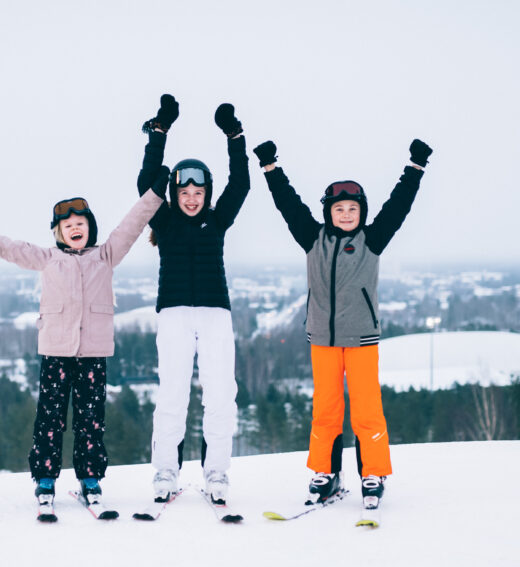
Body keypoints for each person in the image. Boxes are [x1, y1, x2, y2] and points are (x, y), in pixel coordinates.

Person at [0, 170, 170, 509]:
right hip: (56, 352)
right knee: (49, 418)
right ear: (59, 232)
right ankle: (46, 478)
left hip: (93, 353)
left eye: (81, 223)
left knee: (90, 419)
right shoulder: (48, 258)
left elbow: (131, 225)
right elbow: (9, 248)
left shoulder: (106, 256)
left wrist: (155, 193)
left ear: (90, 228)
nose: (75, 228)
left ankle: (90, 477)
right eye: (68, 226)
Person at [252, 137, 432, 511]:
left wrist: (414, 168)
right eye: (340, 208)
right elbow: (288, 205)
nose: (347, 214)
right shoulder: (312, 238)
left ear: (361, 212)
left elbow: (398, 207)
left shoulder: (372, 239)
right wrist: (271, 168)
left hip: (362, 338)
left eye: (353, 208)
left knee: (366, 410)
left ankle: (373, 473)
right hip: (322, 339)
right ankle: (325, 473)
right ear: (328, 213)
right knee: (327, 409)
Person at [137, 94, 250, 504]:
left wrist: (234, 135)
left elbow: (241, 184)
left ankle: (217, 473)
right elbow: (145, 183)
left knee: (221, 393)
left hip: (216, 314)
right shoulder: (163, 220)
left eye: (197, 191)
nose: (190, 197)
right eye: (183, 190)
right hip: (173, 314)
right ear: (174, 193)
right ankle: (166, 471)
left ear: (206, 193)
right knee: (172, 394)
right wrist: (160, 132)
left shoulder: (217, 220)